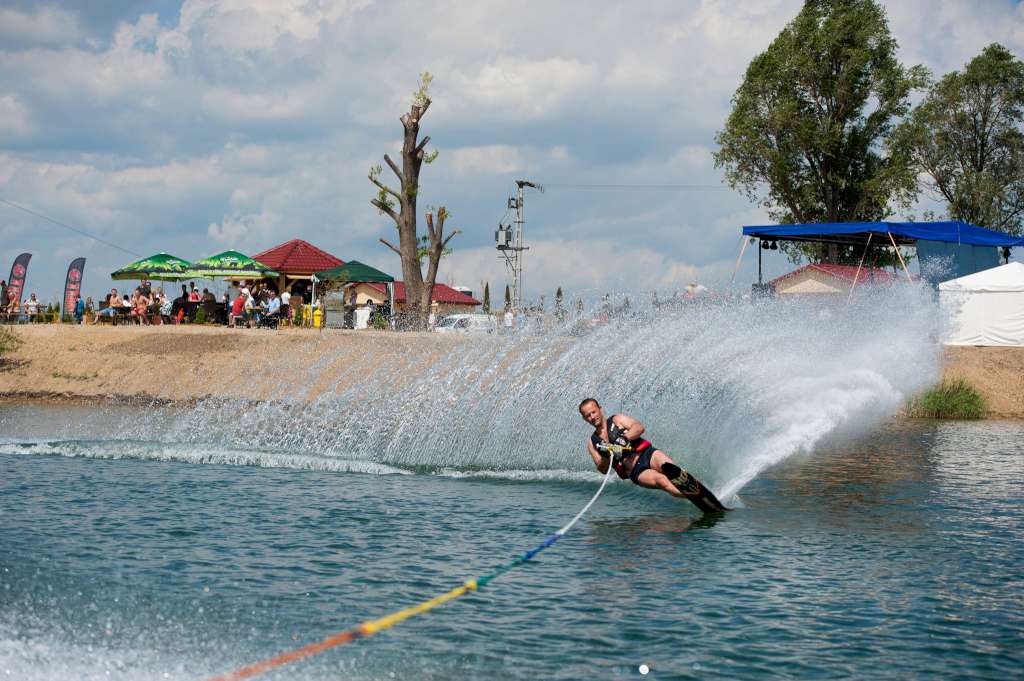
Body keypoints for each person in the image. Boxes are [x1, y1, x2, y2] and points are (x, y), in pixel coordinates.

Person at [579, 397, 727, 511]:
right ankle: (698, 497)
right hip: (635, 471)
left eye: (593, 412)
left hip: (647, 454)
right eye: (588, 415)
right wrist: (606, 453)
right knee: (663, 482)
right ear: (585, 419)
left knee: (671, 468)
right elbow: (603, 469)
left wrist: (625, 438)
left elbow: (639, 427)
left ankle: (705, 492)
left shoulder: (617, 419)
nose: (592, 416)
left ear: (600, 409)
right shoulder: (593, 443)